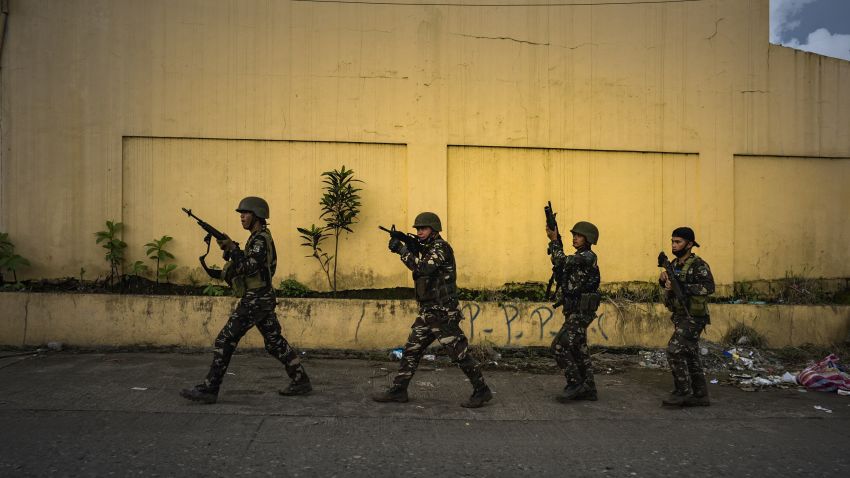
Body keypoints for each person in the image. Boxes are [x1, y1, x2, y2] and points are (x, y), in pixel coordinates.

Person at [180, 197, 311, 404]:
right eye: (241, 213)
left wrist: (233, 250)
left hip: (256, 299)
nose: (242, 216)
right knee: (274, 343)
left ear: (257, 216)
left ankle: (209, 389)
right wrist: (232, 249)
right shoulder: (257, 237)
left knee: (225, 340)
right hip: (261, 297)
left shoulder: (260, 240)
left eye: (246, 213)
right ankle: (301, 380)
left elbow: (250, 266)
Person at [372, 212, 492, 408]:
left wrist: (402, 250)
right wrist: (408, 243)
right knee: (412, 350)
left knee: (459, 354)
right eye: (417, 229)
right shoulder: (428, 247)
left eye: (423, 229)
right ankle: (399, 390)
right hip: (429, 312)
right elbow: (420, 257)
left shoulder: (441, 248)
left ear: (434, 230)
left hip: (443, 313)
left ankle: (482, 390)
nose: (419, 232)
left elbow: (422, 269)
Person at [659, 227, 715, 407]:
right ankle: (700, 395)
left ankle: (682, 391)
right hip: (680, 315)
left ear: (689, 244)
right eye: (673, 241)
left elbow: (709, 287)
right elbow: (669, 287)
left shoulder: (699, 265)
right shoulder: (674, 264)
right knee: (690, 354)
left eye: (678, 242)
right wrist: (664, 282)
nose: (674, 245)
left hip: (694, 317)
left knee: (674, 349)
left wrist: (683, 287)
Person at [547, 221, 602, 402]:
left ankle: (575, 384)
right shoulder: (579, 257)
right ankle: (588, 388)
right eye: (574, 235)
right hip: (574, 310)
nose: (575, 238)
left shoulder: (588, 256)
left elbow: (561, 260)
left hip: (581, 311)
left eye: (579, 235)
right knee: (579, 350)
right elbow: (561, 266)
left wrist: (555, 240)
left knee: (559, 346)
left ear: (589, 239)